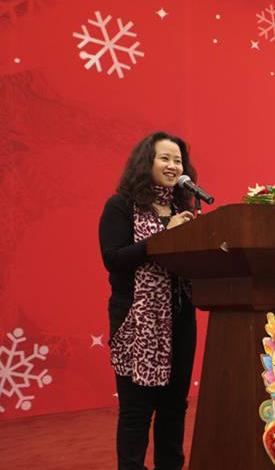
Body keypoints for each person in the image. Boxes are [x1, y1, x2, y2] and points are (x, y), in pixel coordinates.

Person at [98, 132, 198, 470]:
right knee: (136, 411)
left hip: (180, 319)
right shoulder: (121, 205)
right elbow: (114, 258)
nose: (173, 166)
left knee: (174, 407)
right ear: (147, 163)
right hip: (137, 321)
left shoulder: (182, 208)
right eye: (165, 158)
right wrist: (165, 234)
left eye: (178, 161)